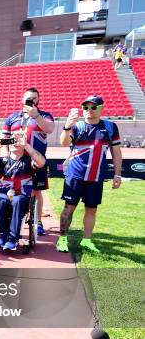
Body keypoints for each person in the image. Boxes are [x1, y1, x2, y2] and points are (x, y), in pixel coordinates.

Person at [56, 95, 122, 253]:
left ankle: (86, 240)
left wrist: (117, 174)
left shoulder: (110, 127)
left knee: (91, 209)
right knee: (69, 208)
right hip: (75, 175)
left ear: (101, 108)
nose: (89, 110)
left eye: (93, 107)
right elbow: (64, 143)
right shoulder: (77, 126)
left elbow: (116, 152)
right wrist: (66, 126)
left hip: (96, 177)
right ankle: (62, 239)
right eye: (86, 107)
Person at [0, 130, 46, 251]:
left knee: (17, 201)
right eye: (12, 139)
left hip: (21, 196)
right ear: (8, 143)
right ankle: (2, 235)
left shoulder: (29, 161)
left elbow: (41, 162)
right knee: (1, 200)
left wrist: (27, 146)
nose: (15, 141)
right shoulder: (1, 161)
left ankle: (13, 238)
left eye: (18, 139)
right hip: (3, 195)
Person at [2, 88, 55, 236]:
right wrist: (7, 157)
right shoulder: (13, 117)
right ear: (22, 99)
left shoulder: (44, 115)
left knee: (37, 192)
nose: (32, 100)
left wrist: (36, 116)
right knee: (12, 189)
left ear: (38, 99)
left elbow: (50, 129)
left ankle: (37, 221)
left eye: (35, 98)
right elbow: (3, 140)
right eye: (29, 98)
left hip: (36, 160)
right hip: (16, 160)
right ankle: (11, 218)